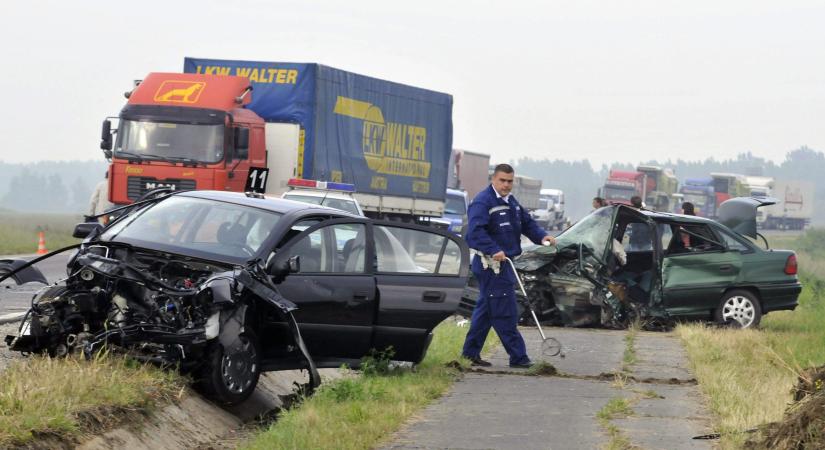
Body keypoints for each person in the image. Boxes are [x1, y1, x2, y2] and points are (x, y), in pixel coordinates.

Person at [461, 164, 556, 368]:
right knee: (505, 311)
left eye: (509, 181)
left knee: (486, 310)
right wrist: (493, 249)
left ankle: (470, 353)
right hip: (491, 265)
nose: (506, 185)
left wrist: (542, 237)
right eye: (502, 180)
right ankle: (518, 357)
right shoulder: (483, 202)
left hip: (506, 264)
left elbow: (527, 223)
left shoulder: (511, 202)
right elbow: (475, 233)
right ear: (493, 180)